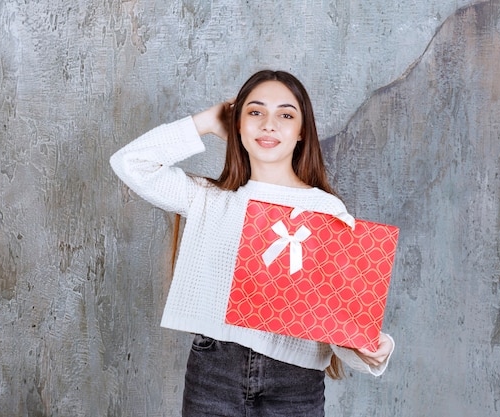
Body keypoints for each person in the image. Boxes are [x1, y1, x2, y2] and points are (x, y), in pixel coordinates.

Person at [110, 70, 395, 416]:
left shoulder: (327, 212)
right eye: (255, 112)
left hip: (295, 382)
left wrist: (369, 349)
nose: (269, 125)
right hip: (214, 373)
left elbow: (335, 315)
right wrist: (207, 122)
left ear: (302, 131)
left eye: (286, 115)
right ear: (238, 124)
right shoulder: (208, 199)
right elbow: (129, 163)